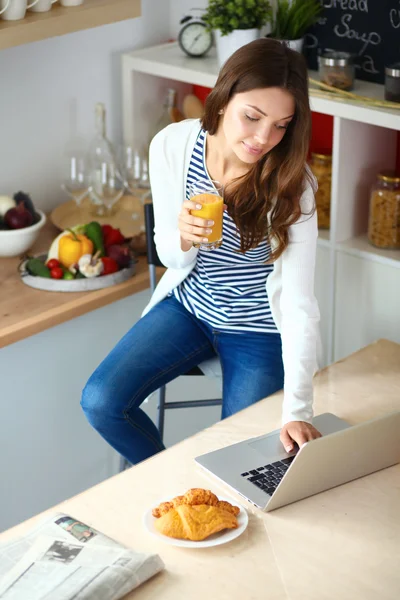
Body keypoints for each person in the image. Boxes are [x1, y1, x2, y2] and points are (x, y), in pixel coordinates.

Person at [81, 38, 322, 466]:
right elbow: (170, 257)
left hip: (257, 327)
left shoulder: (292, 184)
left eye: (281, 124)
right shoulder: (173, 146)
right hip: (190, 306)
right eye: (252, 116)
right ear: (224, 97)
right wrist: (184, 236)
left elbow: (300, 304)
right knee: (101, 401)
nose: (264, 138)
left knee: (243, 459)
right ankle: (169, 485)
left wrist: (297, 410)